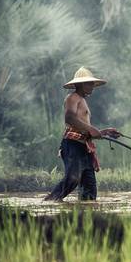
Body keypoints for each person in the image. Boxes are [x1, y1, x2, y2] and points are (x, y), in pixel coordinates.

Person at [44, 67, 120, 202]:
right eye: (88, 83)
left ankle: (85, 215)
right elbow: (69, 118)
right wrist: (91, 129)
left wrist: (105, 131)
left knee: (89, 188)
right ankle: (48, 203)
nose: (92, 86)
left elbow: (85, 130)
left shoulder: (83, 101)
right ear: (79, 84)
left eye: (92, 83)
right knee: (73, 178)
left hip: (84, 148)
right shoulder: (72, 97)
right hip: (72, 146)